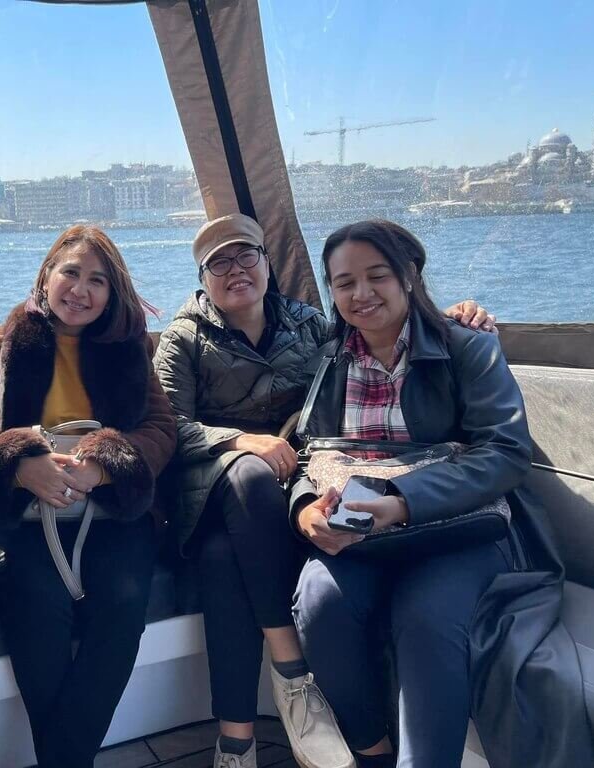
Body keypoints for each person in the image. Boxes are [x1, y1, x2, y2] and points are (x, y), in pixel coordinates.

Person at [152, 213, 495, 768]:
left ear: (268, 264)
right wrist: (242, 441)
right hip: (216, 483)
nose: (236, 270)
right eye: (219, 263)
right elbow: (168, 427)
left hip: (296, 480)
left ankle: (236, 744)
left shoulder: (313, 327)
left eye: (246, 255)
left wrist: (452, 315)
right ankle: (291, 677)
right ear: (202, 278)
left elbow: (383, 343)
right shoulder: (184, 338)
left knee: (222, 562)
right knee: (249, 478)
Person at [288, 219, 531, 768]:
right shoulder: (327, 361)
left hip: (455, 530)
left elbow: (505, 451)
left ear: (409, 275)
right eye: (344, 282)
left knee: (426, 617)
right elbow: (306, 453)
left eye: (377, 275)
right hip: (363, 532)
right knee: (319, 602)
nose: (361, 293)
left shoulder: (467, 347)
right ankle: (370, 752)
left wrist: (402, 503)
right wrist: (304, 511)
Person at [0, 224, 176, 768]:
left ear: (113, 292)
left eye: (97, 280)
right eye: (71, 273)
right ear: (46, 276)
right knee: (34, 601)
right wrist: (19, 464)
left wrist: (102, 467)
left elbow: (161, 430)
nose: (80, 290)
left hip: (110, 511)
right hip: (20, 513)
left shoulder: (130, 349)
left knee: (123, 602)